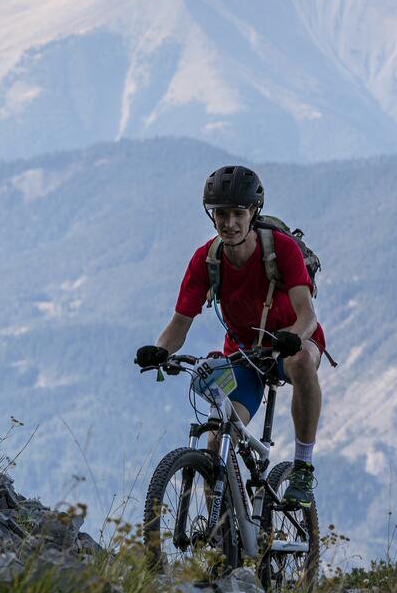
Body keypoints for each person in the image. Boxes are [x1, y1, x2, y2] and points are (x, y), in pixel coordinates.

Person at [134, 165, 326, 508]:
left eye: (238, 213)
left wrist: (292, 338)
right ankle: (223, 543)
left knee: (300, 362)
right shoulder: (206, 260)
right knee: (214, 442)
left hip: (291, 344)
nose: (229, 222)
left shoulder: (281, 249)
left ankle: (302, 466)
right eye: (221, 214)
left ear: (254, 213)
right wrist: (160, 351)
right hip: (245, 356)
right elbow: (179, 324)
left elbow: (308, 315)